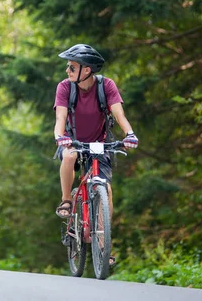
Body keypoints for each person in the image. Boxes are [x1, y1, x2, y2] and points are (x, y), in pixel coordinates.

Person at [53, 44, 138, 260]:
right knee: (70, 155)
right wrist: (60, 136)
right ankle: (66, 200)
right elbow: (60, 118)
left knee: (105, 189)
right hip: (73, 141)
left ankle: (102, 245)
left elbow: (119, 114)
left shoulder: (106, 86)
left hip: (100, 143)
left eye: (72, 67)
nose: (67, 71)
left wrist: (129, 134)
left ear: (87, 70)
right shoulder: (65, 87)